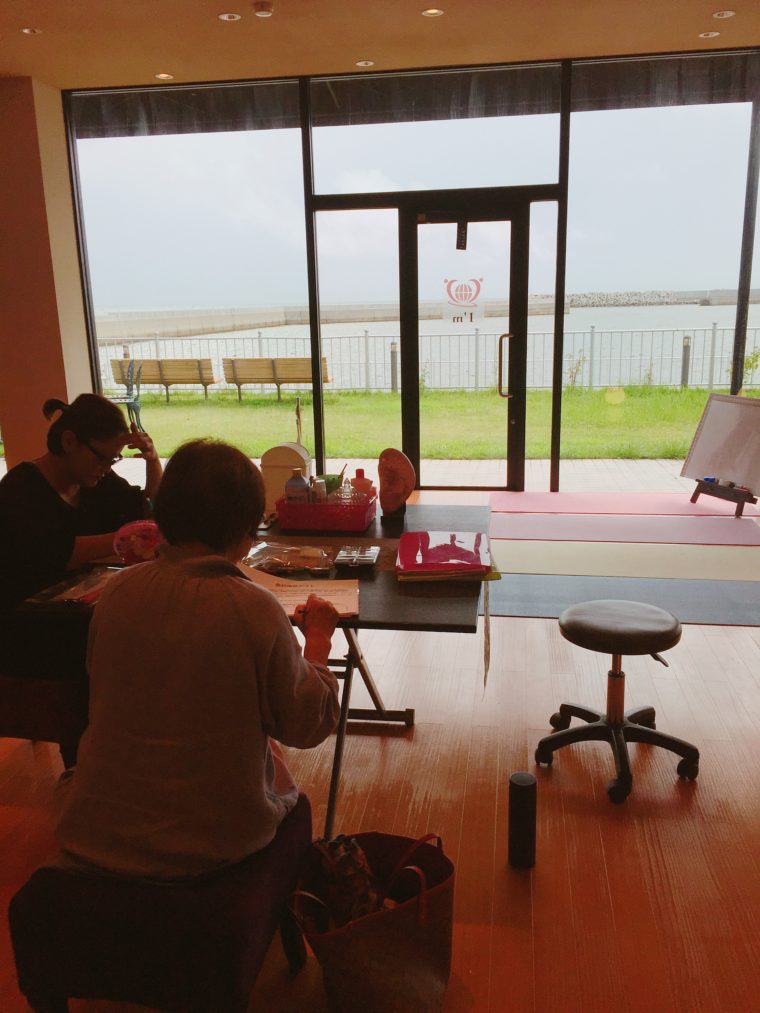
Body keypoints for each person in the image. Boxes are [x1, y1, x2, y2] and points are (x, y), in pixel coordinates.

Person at [56, 438, 340, 880]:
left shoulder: (117, 593)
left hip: (93, 831)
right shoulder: (253, 608)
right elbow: (306, 723)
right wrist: (318, 641)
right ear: (245, 532)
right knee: (278, 764)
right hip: (212, 847)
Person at [0, 393, 162, 613]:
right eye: (101, 459)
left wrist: (152, 461)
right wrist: (129, 536)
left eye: (113, 460)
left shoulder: (94, 480)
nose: (106, 468)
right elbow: (57, 552)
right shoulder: (21, 488)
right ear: (69, 441)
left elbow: (148, 509)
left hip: (78, 608)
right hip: (27, 617)